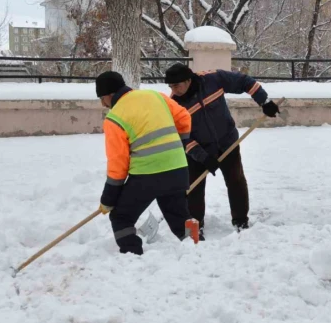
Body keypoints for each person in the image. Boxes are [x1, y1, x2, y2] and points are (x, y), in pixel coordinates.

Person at [164, 63, 279, 238]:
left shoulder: (212, 79)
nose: (174, 90)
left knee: (236, 180)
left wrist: (264, 101)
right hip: (198, 151)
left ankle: (241, 220)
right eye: (170, 86)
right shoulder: (174, 105)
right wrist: (203, 157)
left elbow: (244, 81)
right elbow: (183, 139)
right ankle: (195, 227)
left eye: (177, 85)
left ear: (188, 80)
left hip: (227, 142)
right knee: (194, 188)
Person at [96, 71, 196, 255]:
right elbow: (184, 117)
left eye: (102, 98)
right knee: (180, 215)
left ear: (110, 95)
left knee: (121, 216)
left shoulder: (114, 118)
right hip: (178, 169)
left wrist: (109, 199)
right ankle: (197, 243)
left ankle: (133, 256)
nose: (103, 104)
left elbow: (118, 163)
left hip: (147, 176)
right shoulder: (154, 95)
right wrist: (178, 146)